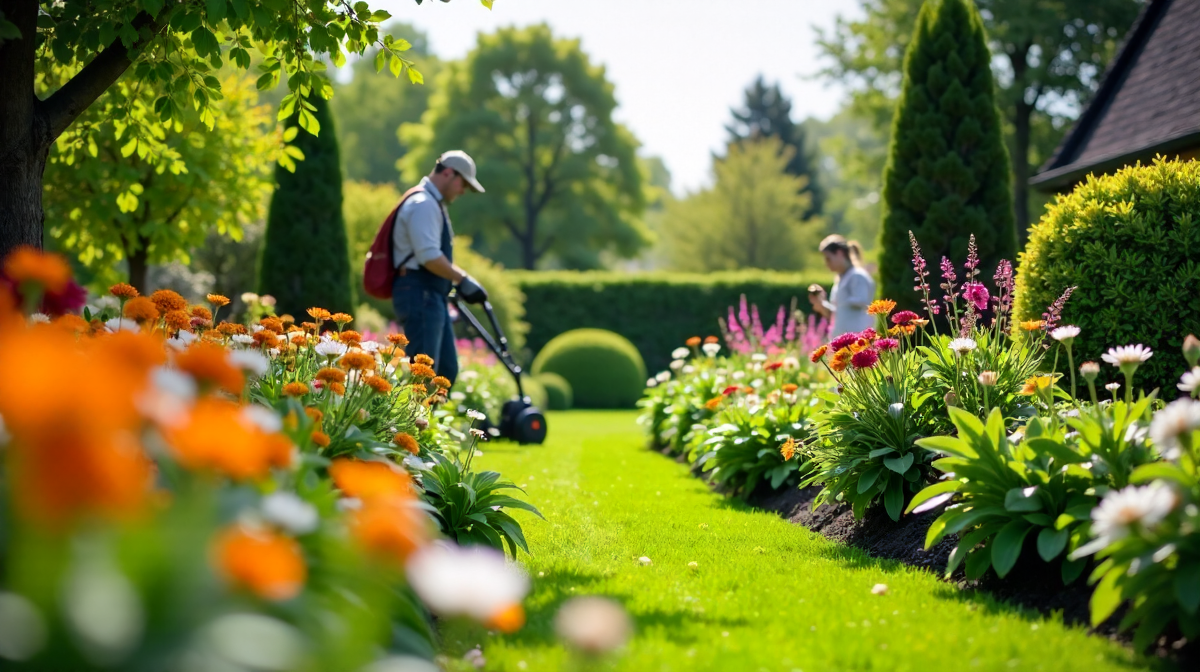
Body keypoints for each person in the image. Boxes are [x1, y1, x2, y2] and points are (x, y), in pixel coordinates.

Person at [391, 150, 489, 385]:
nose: (463, 191)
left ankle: (430, 421)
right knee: (423, 377)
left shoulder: (431, 203)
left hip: (430, 295)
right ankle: (415, 422)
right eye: (463, 183)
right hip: (420, 294)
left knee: (444, 371)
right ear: (448, 173)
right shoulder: (423, 204)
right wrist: (462, 278)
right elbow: (428, 256)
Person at [808, 234, 874, 337]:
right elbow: (838, 313)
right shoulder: (841, 279)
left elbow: (864, 304)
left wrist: (841, 304)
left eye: (828, 258)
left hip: (858, 344)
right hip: (844, 344)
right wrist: (822, 305)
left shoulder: (857, 276)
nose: (826, 263)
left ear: (839, 253)